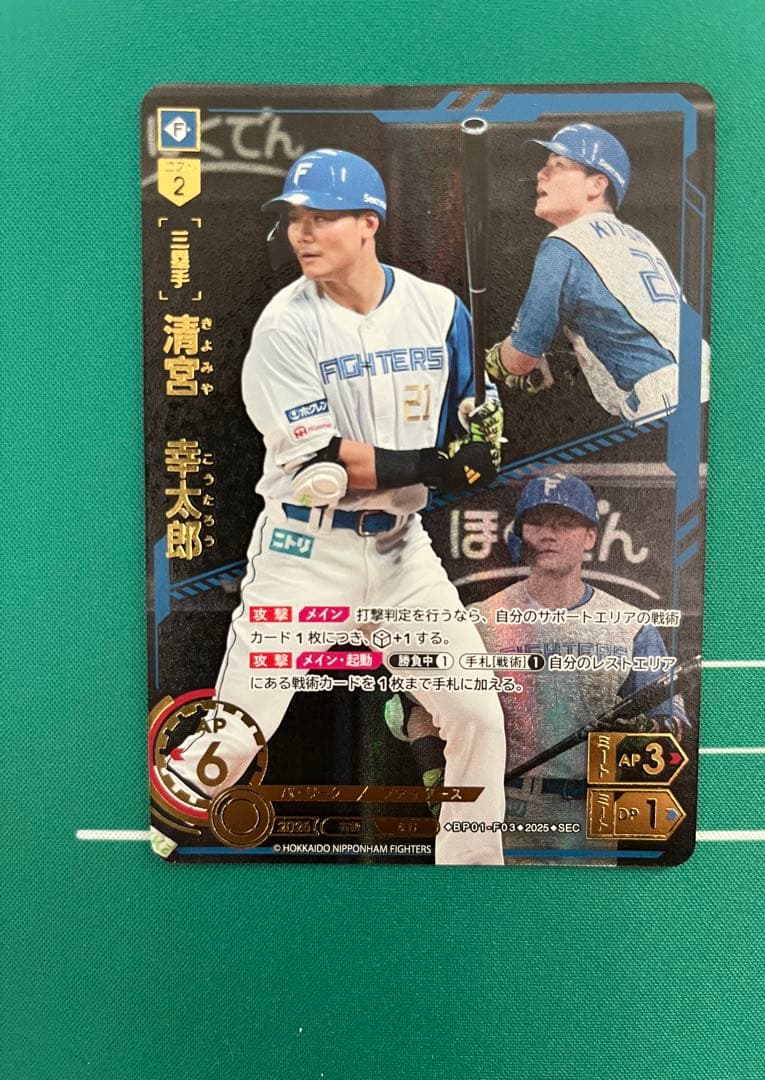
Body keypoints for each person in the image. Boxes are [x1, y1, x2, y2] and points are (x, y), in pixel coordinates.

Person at [166, 148, 507, 865]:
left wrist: (483, 431)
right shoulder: (285, 326)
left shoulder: (439, 311)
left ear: (368, 223)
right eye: (295, 217)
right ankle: (151, 839)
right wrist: (442, 463)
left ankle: (474, 879)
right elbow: (328, 460)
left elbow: (467, 411)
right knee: (238, 733)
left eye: (321, 216)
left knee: (477, 713)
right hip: (305, 554)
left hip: (402, 554)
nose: (303, 232)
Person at [392, 473, 687, 860]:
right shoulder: (477, 620)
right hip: (497, 810)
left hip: (589, 815)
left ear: (590, 536)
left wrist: (643, 734)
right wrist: (437, 779)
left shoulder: (631, 625)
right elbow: (414, 705)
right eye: (537, 523)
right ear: (520, 534)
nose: (549, 534)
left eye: (565, 523)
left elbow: (672, 723)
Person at [486, 122, 708, 422]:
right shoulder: (636, 239)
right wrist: (557, 359)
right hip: (707, 383)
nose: (541, 173)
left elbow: (518, 360)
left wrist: (494, 360)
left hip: (665, 400)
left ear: (597, 185)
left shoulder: (564, 244)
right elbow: (623, 325)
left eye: (558, 165)